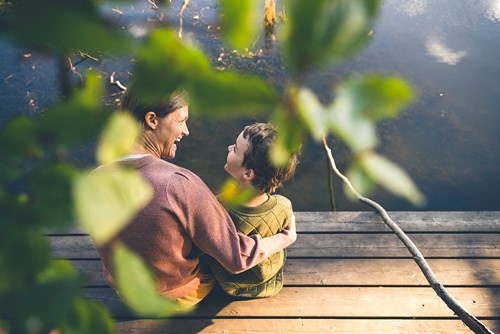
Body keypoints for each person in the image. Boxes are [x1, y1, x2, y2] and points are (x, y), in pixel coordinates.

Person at [92, 85, 297, 310]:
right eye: (181, 121)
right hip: (175, 298)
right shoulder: (179, 184)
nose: (186, 131)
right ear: (152, 120)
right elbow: (237, 258)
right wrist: (284, 239)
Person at [204, 123, 298, 298]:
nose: (229, 147)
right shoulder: (284, 206)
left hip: (228, 284)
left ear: (248, 173)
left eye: (235, 149)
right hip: (270, 284)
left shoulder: (218, 206)